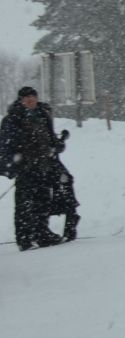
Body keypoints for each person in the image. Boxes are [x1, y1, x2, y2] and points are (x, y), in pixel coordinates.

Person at [0, 86, 76, 248]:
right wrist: (14, 164)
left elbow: (50, 139)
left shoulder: (43, 114)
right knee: (24, 203)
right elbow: (5, 145)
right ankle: (24, 238)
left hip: (44, 165)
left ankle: (42, 233)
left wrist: (57, 146)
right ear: (21, 100)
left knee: (43, 200)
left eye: (32, 97)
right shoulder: (13, 119)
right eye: (26, 98)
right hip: (25, 167)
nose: (30, 100)